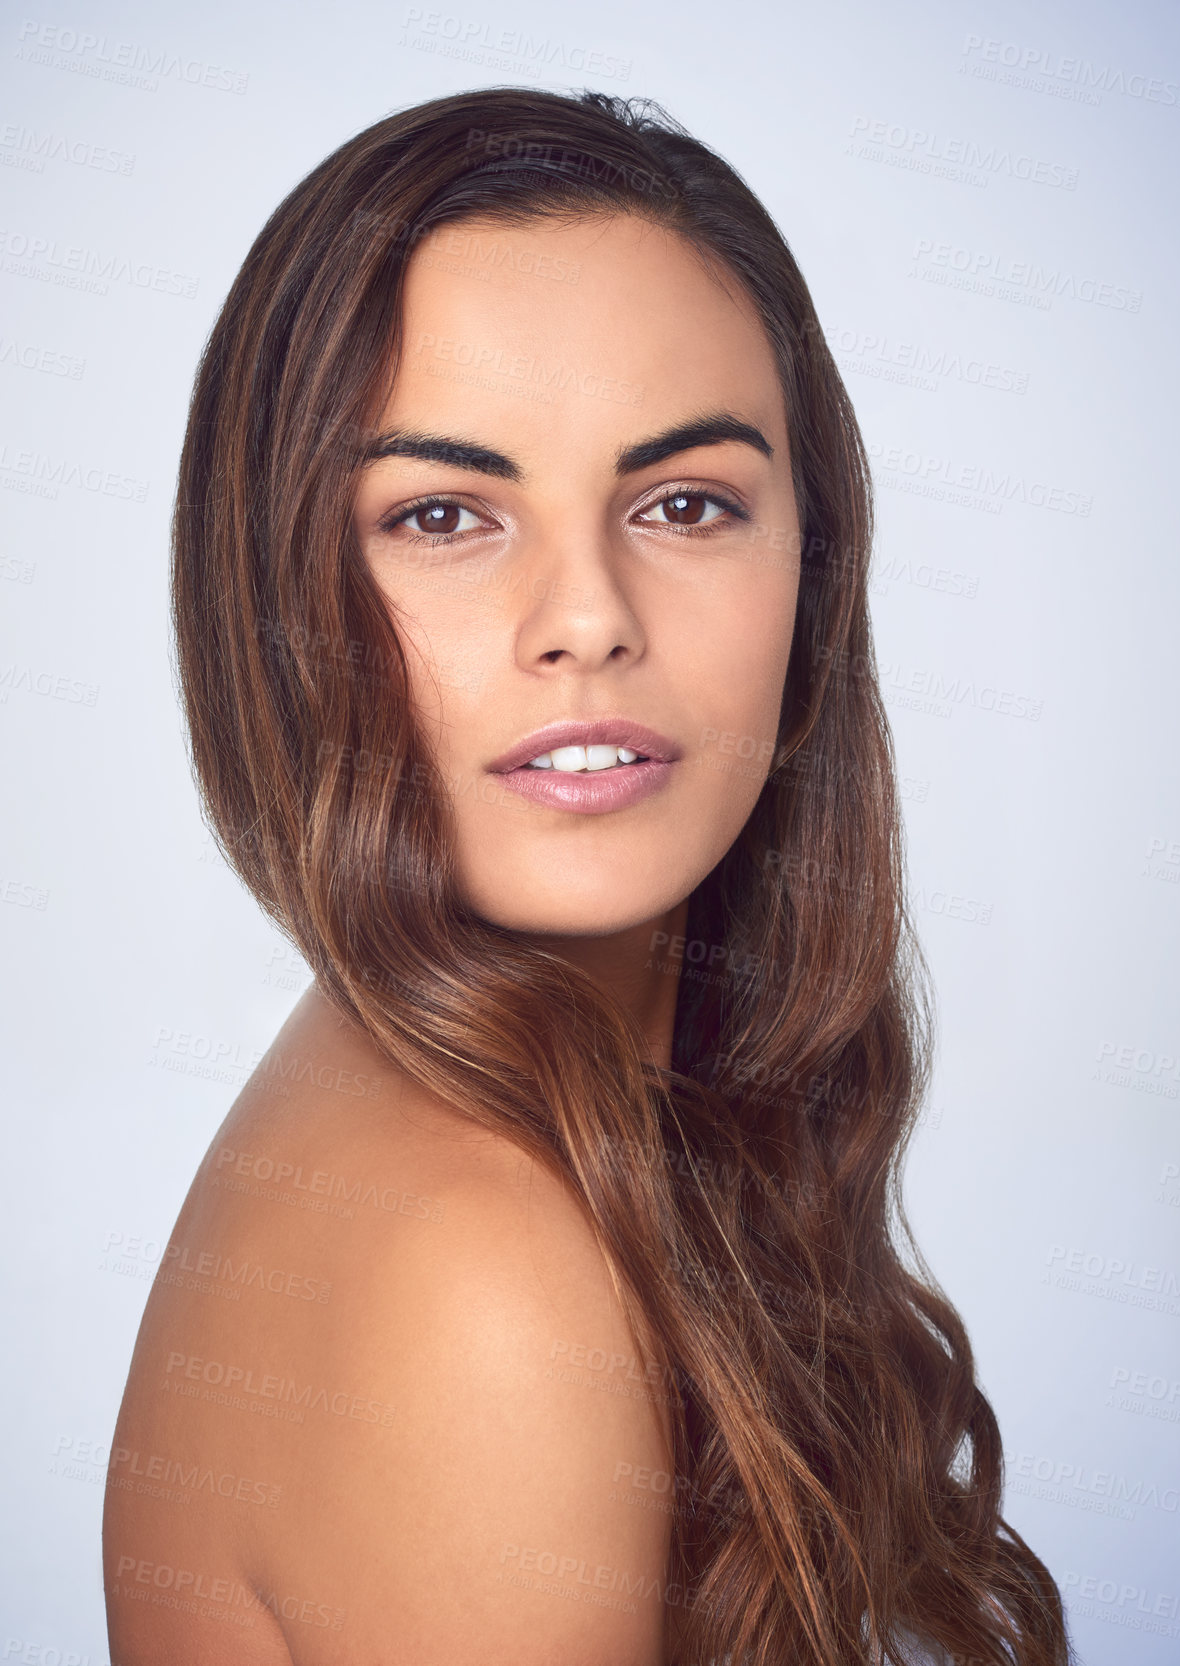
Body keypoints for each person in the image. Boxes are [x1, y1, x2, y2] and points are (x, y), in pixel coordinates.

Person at [103, 87, 1074, 1666]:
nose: (587, 615)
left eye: (685, 503)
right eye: (443, 513)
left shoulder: (451, 1096)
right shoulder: (482, 1269)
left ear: (812, 578)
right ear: (270, 588)